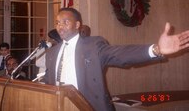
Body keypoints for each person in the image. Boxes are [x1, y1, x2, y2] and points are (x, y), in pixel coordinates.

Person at [43, 7, 189, 111]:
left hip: (88, 107)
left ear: (77, 25)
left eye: (65, 22)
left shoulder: (93, 46)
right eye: (57, 22)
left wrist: (156, 49)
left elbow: (120, 54)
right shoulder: (52, 53)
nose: (60, 26)